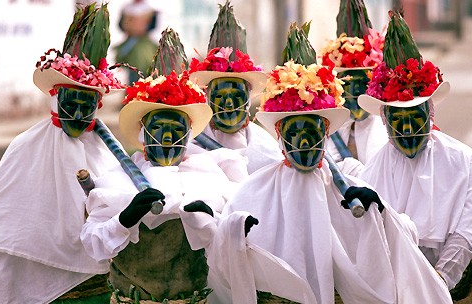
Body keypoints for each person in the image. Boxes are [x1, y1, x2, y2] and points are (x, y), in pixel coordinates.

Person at [206, 23, 452, 304]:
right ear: (280, 137)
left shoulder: (349, 191)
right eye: (294, 134)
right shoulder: (253, 190)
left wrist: (381, 214)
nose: (303, 143)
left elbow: (401, 243)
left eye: (311, 132)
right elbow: (220, 252)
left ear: (325, 133)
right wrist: (236, 230)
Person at [358, 10, 472, 304]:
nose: (409, 129)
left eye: (416, 116)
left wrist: (438, 281)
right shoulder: (374, 168)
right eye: (399, 119)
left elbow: (471, 229)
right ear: (385, 120)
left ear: (430, 113)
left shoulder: (461, 159)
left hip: (452, 288)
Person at [0, 3, 125, 303]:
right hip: (38, 287)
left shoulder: (110, 153)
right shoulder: (24, 148)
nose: (80, 112)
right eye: (73, 102)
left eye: (88, 104)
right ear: (57, 99)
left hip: (98, 287)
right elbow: (6, 228)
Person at [79, 68, 253, 303]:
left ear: (189, 136)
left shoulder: (210, 177)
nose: (168, 138)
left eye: (177, 130)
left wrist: (223, 223)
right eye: (159, 129)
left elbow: (225, 253)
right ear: (144, 135)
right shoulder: (116, 180)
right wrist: (123, 220)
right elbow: (93, 245)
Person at [188, 0, 283, 174]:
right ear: (207, 97)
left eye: (236, 95)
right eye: (220, 96)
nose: (229, 104)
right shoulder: (188, 150)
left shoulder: (270, 153)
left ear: (248, 98)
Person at [320, 0, 389, 177]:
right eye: (349, 85)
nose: (356, 93)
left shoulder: (390, 130)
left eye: (363, 84)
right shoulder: (325, 130)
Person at [116, 0, 158, 84]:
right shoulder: (126, 8)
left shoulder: (149, 9)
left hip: (144, 43)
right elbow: (120, 25)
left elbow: (153, 25)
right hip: (131, 41)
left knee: (147, 66)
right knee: (132, 71)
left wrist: (141, 29)